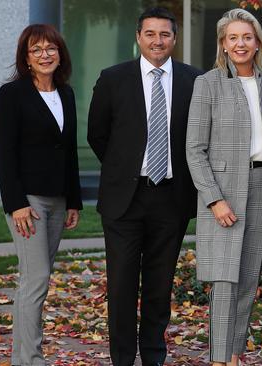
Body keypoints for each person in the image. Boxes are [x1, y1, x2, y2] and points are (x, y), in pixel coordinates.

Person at [87, 7, 202, 365]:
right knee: (121, 287)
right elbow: (97, 134)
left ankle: (153, 356)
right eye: (150, 34)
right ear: (139, 37)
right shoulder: (113, 78)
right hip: (125, 199)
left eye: (164, 34)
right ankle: (122, 358)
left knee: (159, 285)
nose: (157, 40)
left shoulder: (194, 81)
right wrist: (125, 169)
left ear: (174, 39)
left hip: (172, 197)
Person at [185, 8, 262, 366]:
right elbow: (194, 150)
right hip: (224, 193)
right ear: (223, 45)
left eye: (247, 37)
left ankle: (234, 355)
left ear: (258, 41)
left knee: (246, 283)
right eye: (233, 38)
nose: (240, 44)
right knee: (224, 282)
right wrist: (214, 200)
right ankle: (217, 359)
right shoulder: (207, 83)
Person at [0, 24, 82, 365]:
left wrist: (74, 200)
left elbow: (70, 151)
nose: (45, 55)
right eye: (37, 50)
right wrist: (15, 203)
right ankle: (31, 359)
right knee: (37, 278)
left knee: (33, 282)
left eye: (51, 49)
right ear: (26, 58)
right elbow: (6, 153)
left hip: (59, 200)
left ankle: (22, 359)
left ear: (60, 54)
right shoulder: (12, 94)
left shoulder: (67, 93)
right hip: (27, 201)